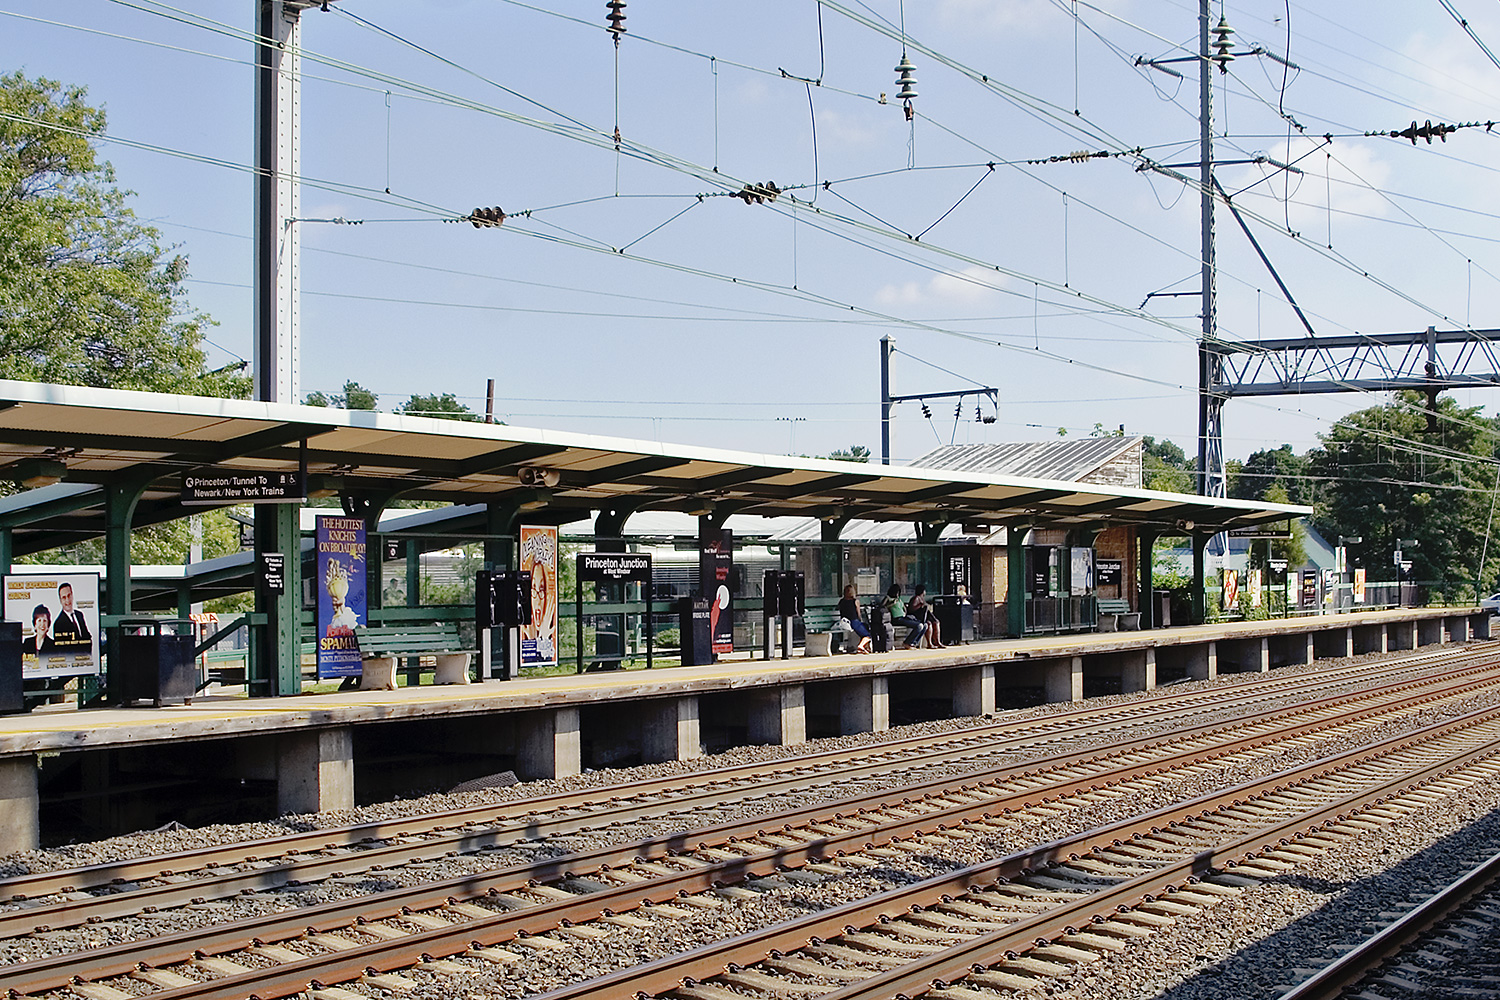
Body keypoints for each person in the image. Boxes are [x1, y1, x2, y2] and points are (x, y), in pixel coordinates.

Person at [880, 584, 926, 649]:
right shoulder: (888, 598)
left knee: (924, 625)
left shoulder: (899, 599)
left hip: (903, 617)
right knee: (919, 626)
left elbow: (904, 608)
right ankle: (907, 643)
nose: (897, 594)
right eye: (897, 592)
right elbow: (882, 607)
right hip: (896, 618)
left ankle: (914, 643)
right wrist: (892, 603)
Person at [52, 582, 90, 648]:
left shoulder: (80, 615)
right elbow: (61, 648)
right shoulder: (58, 623)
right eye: (64, 597)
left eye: (69, 595)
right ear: (60, 600)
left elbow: (87, 637)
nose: (67, 600)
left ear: (72, 595)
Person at [837, 585, 873, 654]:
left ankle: (867, 648)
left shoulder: (841, 601)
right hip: (854, 622)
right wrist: (860, 620)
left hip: (844, 623)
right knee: (867, 635)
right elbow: (858, 614)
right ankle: (861, 646)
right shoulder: (855, 601)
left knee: (864, 628)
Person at [911, 584, 945, 648]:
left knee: (936, 622)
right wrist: (921, 605)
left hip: (925, 616)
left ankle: (937, 641)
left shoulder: (922, 599)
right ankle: (929, 643)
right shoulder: (916, 598)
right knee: (929, 624)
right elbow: (912, 609)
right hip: (918, 617)